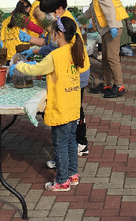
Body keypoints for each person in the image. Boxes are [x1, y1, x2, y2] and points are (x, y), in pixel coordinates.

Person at [10, 16, 84, 191]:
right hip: (73, 104)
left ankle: (62, 181)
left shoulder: (56, 55)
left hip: (61, 106)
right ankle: (72, 175)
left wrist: (19, 66)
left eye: (52, 34)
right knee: (71, 141)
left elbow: (36, 70)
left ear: (58, 35)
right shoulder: (76, 50)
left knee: (60, 145)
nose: (50, 37)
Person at [24, 0, 91, 159]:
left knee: (74, 109)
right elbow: (50, 43)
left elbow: (54, 47)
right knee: (72, 108)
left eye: (47, 12)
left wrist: (34, 55)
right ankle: (71, 146)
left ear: (59, 9)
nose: (46, 16)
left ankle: (79, 143)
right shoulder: (59, 20)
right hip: (72, 69)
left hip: (77, 71)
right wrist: (34, 46)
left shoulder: (65, 22)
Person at [77, 0, 127, 98]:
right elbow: (89, 12)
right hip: (106, 30)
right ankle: (106, 83)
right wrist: (78, 18)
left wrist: (113, 26)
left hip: (111, 29)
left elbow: (109, 10)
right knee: (105, 57)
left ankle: (119, 86)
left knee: (112, 57)